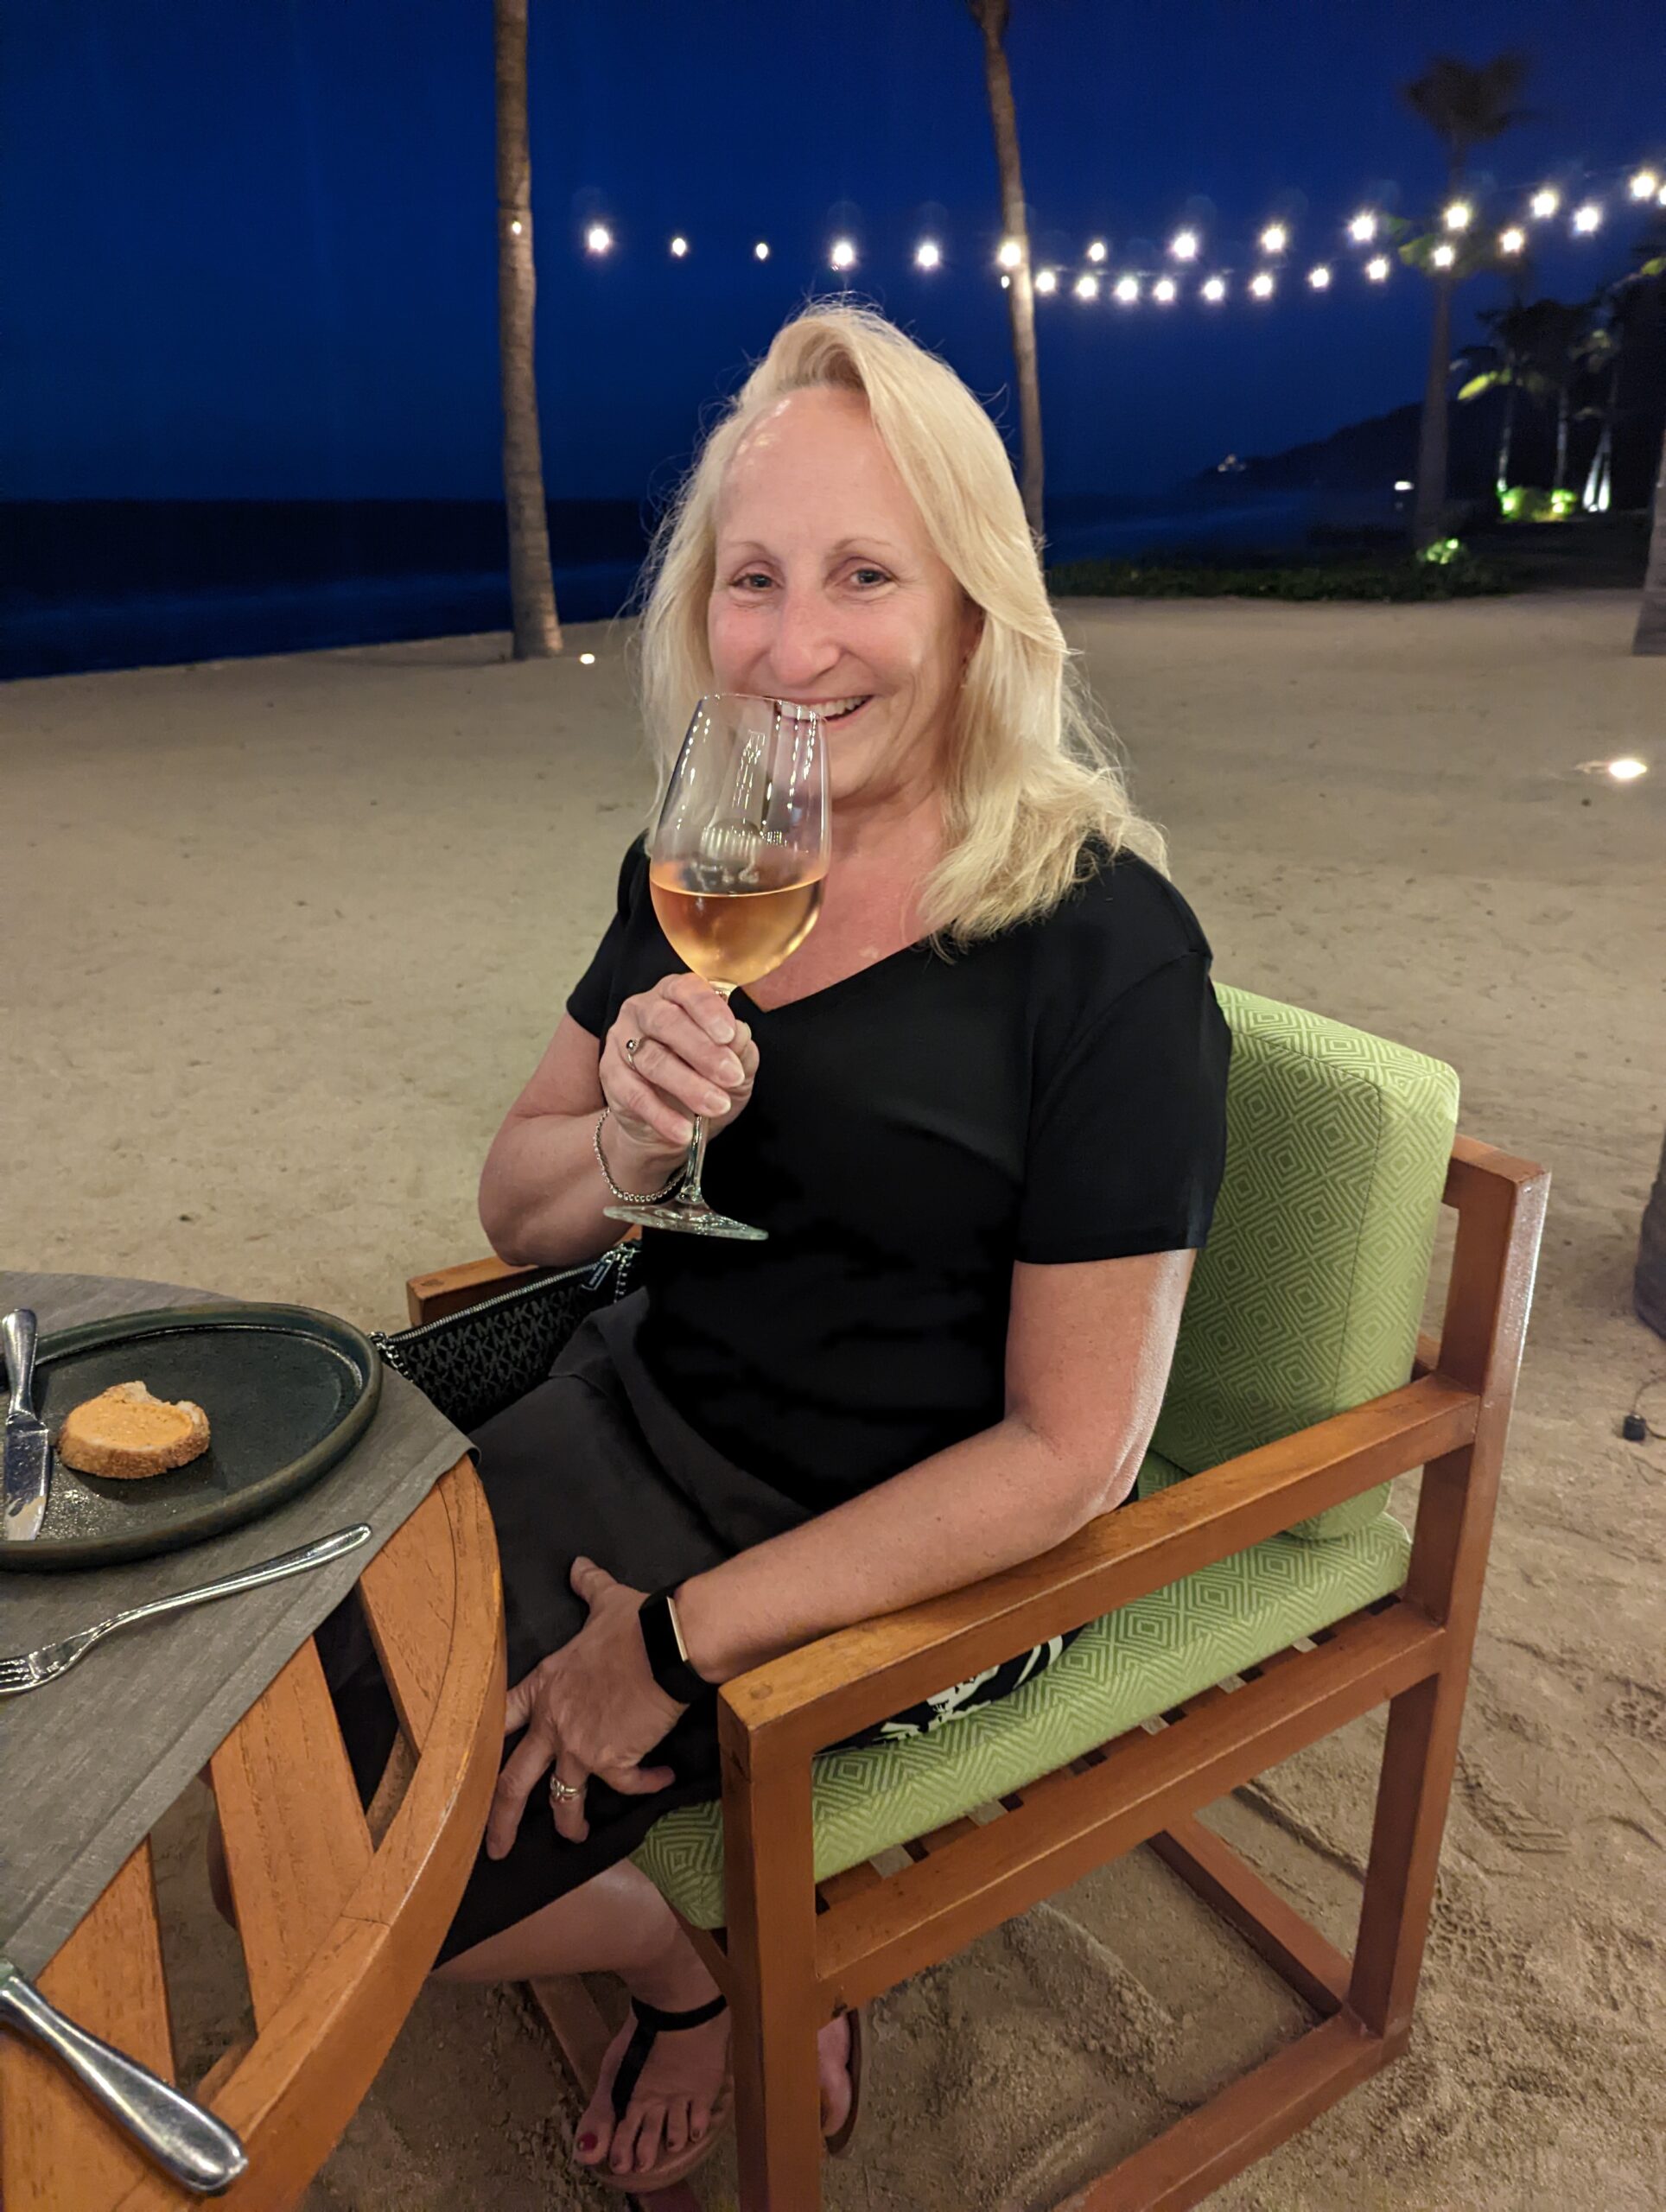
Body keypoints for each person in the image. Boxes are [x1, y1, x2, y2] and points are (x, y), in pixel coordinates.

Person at [321, 299, 1232, 2190]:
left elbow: (1073, 1453)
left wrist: (669, 1645)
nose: (793, 646)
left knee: (360, 1898)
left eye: (863, 575)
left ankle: (700, 1985)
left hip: (888, 1559)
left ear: (974, 604)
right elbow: (520, 1206)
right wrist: (634, 1146)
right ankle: (691, 1957)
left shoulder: (1106, 955)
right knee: (277, 1715)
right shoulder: (712, 860)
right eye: (754, 578)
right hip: (619, 1411)